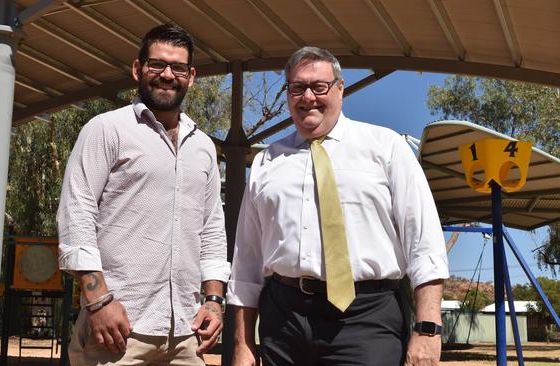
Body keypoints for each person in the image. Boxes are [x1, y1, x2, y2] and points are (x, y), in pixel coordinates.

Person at [227, 46, 449, 366]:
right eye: (297, 87)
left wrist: (428, 330)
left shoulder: (386, 148)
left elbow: (424, 243)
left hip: (366, 318)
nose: (308, 97)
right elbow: (247, 262)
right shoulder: (266, 162)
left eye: (319, 87)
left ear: (340, 88)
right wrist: (243, 344)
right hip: (283, 321)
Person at [57, 24, 230, 366]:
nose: (167, 75)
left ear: (191, 76)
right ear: (138, 69)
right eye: (157, 65)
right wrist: (98, 301)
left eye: (178, 67)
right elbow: (76, 213)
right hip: (117, 330)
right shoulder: (107, 129)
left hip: (186, 333)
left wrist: (213, 300)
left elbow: (211, 229)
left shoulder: (204, 147)